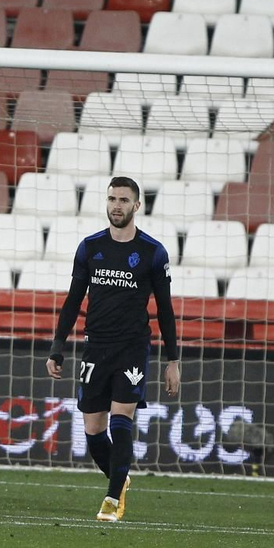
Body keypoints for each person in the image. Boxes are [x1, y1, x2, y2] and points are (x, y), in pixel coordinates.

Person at [46, 176, 181, 523]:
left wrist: (173, 360)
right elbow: (73, 300)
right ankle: (120, 479)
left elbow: (165, 309)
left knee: (122, 420)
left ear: (137, 206)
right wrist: (57, 347)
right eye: (112, 199)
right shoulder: (90, 247)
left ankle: (111, 499)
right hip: (95, 348)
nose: (116, 206)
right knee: (93, 431)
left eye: (123, 200)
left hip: (132, 347)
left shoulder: (153, 252)